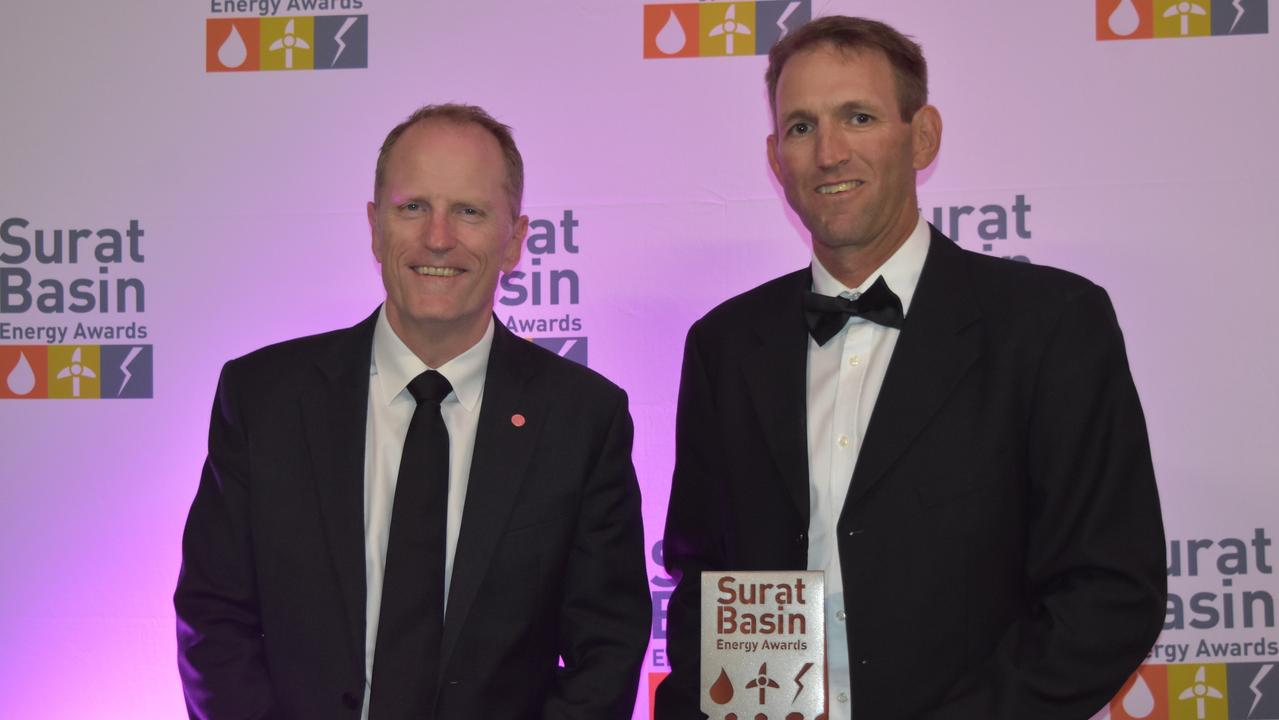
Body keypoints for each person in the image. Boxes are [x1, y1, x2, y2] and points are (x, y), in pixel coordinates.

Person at [655, 16, 1166, 720]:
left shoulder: (1048, 325)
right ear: (775, 158)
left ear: (921, 136)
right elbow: (703, 578)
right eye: (801, 128)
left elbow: (1109, 591)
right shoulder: (724, 344)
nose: (828, 152)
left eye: (857, 117)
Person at [175, 103, 651, 720]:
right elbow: (214, 621)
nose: (438, 238)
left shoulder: (584, 419)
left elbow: (606, 651)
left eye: (470, 211)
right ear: (375, 227)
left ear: (515, 241)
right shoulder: (264, 398)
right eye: (413, 207)